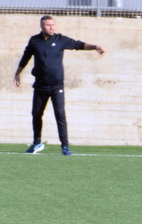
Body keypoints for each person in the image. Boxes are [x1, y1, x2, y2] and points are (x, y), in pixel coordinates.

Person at [13, 15, 106, 156]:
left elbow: (78, 45)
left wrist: (95, 47)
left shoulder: (60, 39)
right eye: (48, 25)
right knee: (36, 114)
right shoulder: (34, 40)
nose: (51, 27)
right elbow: (26, 56)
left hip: (56, 86)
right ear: (42, 26)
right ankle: (37, 143)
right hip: (40, 86)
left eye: (53, 25)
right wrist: (17, 73)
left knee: (60, 115)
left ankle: (65, 146)